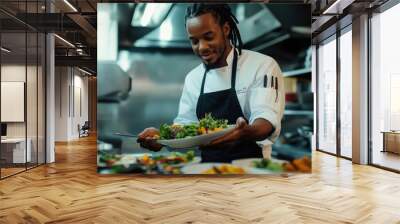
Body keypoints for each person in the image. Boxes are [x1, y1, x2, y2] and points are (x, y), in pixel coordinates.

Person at [138, 3, 285, 163]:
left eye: (209, 37)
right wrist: (161, 137)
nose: (202, 47)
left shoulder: (261, 65)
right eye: (194, 41)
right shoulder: (193, 78)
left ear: (226, 29)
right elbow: (186, 125)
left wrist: (244, 132)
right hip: (208, 169)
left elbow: (266, 119)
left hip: (251, 169)